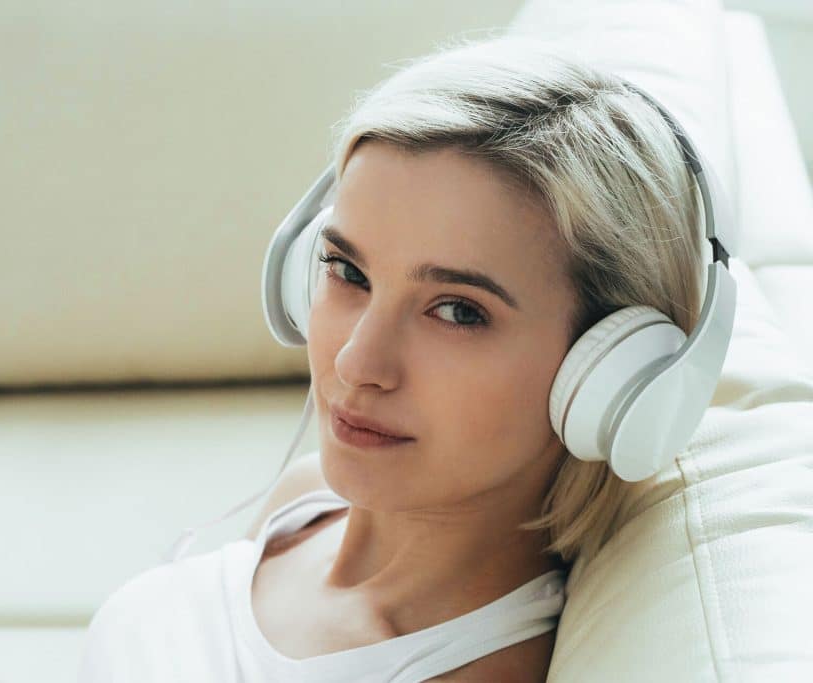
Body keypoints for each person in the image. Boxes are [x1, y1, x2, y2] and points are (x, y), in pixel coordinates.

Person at [78, 33, 707, 683]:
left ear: (612, 377)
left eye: (458, 310)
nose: (355, 362)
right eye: (346, 269)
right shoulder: (310, 498)